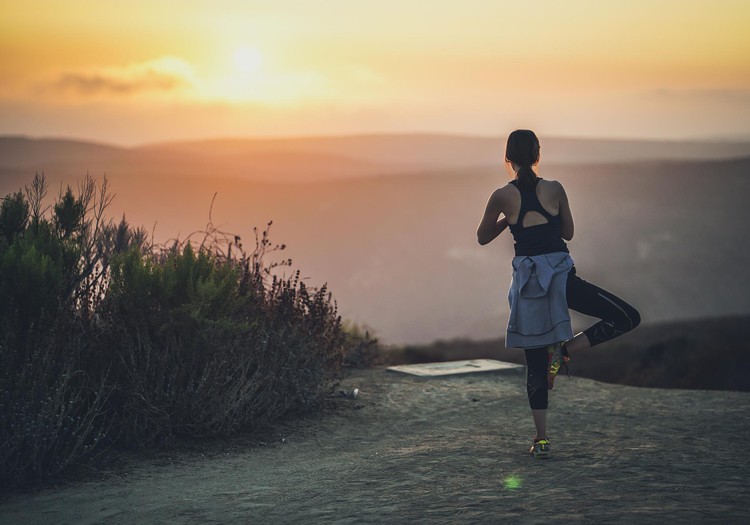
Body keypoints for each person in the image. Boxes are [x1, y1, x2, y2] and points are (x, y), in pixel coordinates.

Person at [476, 129, 640, 459]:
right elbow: (568, 232)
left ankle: (542, 440)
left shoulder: (501, 196)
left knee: (534, 363)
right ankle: (566, 351)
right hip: (562, 279)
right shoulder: (555, 189)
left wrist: (510, 221)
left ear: (508, 158)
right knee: (626, 317)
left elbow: (482, 237)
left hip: (528, 287)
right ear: (538, 155)